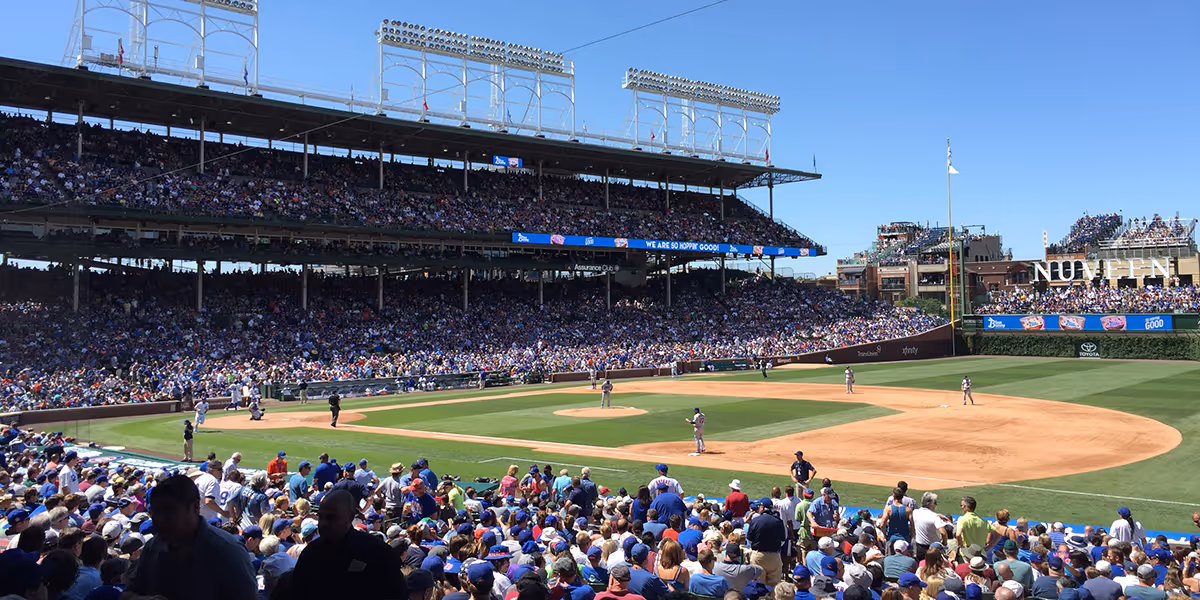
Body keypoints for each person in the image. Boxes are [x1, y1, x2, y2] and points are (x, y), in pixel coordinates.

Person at [124, 474, 257, 600]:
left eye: (170, 512)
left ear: (195, 507)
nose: (160, 519)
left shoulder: (229, 552)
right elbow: (127, 594)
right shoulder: (153, 546)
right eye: (155, 513)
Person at [291, 489, 407, 599]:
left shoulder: (377, 551)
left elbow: (396, 592)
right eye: (321, 517)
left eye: (331, 517)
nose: (324, 523)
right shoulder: (311, 552)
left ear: (350, 517)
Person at [747, 499, 786, 586]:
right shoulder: (778, 521)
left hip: (758, 556)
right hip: (774, 556)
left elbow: (750, 540)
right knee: (774, 586)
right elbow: (782, 541)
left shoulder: (755, 521)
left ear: (762, 507)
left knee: (758, 586)